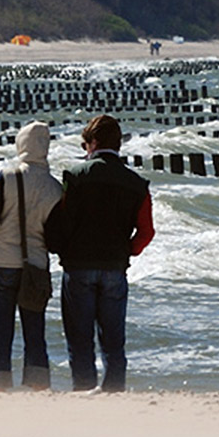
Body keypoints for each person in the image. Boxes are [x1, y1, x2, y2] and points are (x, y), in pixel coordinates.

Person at [43, 115, 155, 393]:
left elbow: (65, 221)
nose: (85, 149)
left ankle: (83, 391)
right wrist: (128, 251)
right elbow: (146, 231)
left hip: (79, 265)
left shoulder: (75, 176)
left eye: (85, 144)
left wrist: (59, 248)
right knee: (113, 341)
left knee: (80, 340)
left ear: (93, 143)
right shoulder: (137, 183)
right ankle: (114, 392)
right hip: (115, 267)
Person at [0, 121, 64, 390]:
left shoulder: (8, 176)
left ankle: (0, 385)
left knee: (0, 333)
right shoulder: (55, 187)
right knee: (34, 331)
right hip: (35, 267)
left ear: (21, 144)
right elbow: (56, 237)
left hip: (2, 263)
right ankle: (37, 386)